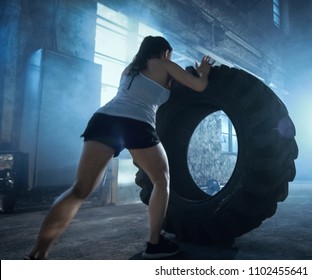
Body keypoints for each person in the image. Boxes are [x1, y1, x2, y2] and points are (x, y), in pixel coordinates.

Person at [26, 36, 214, 259]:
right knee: (161, 180)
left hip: (103, 120)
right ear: (165, 52)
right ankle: (155, 244)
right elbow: (199, 86)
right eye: (170, 54)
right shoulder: (164, 63)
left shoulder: (130, 70)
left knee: (79, 190)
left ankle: (39, 252)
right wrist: (203, 71)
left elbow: (151, 89)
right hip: (135, 123)